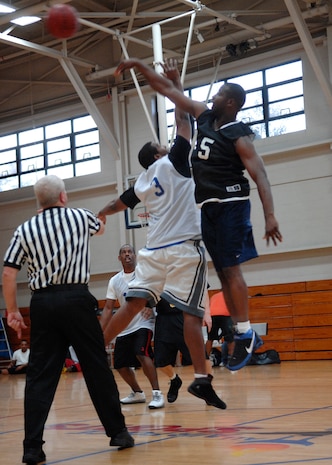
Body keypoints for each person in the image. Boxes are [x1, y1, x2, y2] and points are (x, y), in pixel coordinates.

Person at [114, 58, 283, 371]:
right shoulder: (203, 116)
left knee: (231, 270)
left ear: (231, 102)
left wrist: (270, 215)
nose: (213, 97)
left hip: (232, 203)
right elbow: (167, 91)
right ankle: (239, 330)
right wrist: (143, 67)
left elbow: (260, 174)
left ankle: (245, 332)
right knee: (222, 271)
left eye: (219, 94)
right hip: (208, 208)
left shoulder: (237, 134)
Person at [98, 59, 226, 410]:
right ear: (157, 154)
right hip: (184, 248)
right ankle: (201, 378)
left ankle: (96, 353)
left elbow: (117, 203)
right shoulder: (176, 160)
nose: (166, 144)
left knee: (133, 303)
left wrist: (99, 216)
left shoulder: (141, 181)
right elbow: (183, 117)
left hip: (152, 250)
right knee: (192, 314)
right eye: (161, 144)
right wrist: (176, 82)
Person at [2, 175, 134, 465]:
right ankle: (119, 433)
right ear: (63, 197)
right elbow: (100, 227)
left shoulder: (24, 229)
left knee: (40, 376)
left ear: (39, 201)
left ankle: (32, 448)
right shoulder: (79, 217)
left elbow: (9, 272)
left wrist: (12, 311)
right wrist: (102, 216)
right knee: (96, 366)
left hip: (43, 304)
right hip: (76, 299)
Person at [100, 244, 164, 409]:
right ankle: (137, 392)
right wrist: (100, 332)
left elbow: (160, 291)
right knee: (120, 365)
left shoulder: (143, 274)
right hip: (124, 327)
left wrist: (150, 305)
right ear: (119, 258)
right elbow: (108, 308)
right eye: (123, 252)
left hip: (143, 323)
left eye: (130, 252)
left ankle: (157, 393)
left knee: (141, 353)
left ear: (135, 256)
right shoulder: (114, 280)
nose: (127, 254)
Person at [154, 298, 192, 403]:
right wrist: (146, 306)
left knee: (199, 357)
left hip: (184, 315)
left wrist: (205, 312)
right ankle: (174, 379)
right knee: (160, 361)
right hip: (163, 318)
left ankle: (206, 386)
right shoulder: (157, 281)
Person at [205, 292, 234, 367]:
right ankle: (231, 359)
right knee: (230, 338)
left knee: (210, 338)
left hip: (212, 315)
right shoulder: (230, 294)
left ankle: (206, 360)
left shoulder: (214, 296)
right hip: (225, 315)